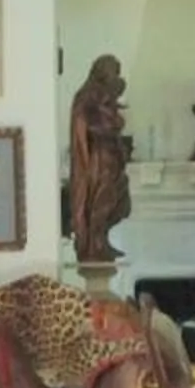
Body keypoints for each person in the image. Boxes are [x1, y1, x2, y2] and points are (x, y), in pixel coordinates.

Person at [67, 54, 133, 264]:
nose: (117, 76)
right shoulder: (88, 96)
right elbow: (93, 125)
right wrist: (113, 119)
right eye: (115, 71)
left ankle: (101, 240)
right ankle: (94, 244)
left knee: (118, 200)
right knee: (101, 199)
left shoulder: (102, 95)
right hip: (99, 158)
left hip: (111, 156)